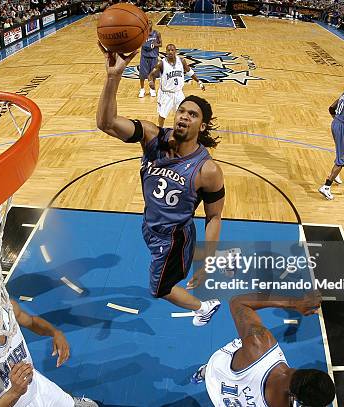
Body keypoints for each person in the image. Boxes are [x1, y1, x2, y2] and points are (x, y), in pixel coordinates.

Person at [96, 43, 223, 327]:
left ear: (202, 127)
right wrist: (113, 76)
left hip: (175, 238)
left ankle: (204, 306)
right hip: (150, 224)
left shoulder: (207, 170)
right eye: (182, 111)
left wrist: (207, 261)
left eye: (192, 115)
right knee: (159, 275)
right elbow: (106, 123)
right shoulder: (152, 136)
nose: (184, 116)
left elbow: (213, 217)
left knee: (159, 289)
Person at [0, 288, 98, 407]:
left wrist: (55, 332)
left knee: (68, 403)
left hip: (37, 384)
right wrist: (15, 391)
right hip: (12, 402)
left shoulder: (6, 308)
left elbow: (32, 322)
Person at [191, 293, 336, 407]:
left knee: (239, 347)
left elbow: (238, 302)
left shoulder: (260, 345)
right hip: (220, 400)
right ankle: (204, 373)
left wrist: (295, 303)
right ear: (298, 399)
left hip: (215, 369)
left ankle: (203, 372)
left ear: (309, 370)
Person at [148, 43, 205, 127]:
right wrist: (151, 82)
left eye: (172, 50)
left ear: (176, 51)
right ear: (166, 52)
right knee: (162, 115)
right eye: (168, 50)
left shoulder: (181, 61)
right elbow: (151, 75)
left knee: (183, 113)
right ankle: (160, 130)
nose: (170, 52)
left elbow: (189, 72)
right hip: (166, 94)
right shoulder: (161, 63)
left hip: (178, 93)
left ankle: (179, 129)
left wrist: (199, 81)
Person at [138, 20, 161, 98]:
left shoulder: (157, 33)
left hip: (154, 56)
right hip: (144, 57)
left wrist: (155, 44)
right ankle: (142, 89)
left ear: (152, 24)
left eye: (150, 23)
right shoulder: (142, 34)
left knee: (153, 74)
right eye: (147, 24)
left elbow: (160, 43)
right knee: (142, 75)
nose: (148, 25)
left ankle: (152, 89)